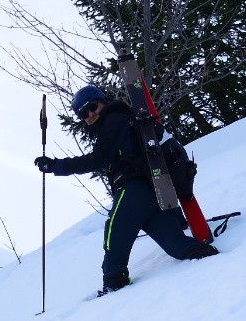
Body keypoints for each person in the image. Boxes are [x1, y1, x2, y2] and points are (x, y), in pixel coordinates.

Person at [35, 84, 217, 294]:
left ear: (103, 102)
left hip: (135, 188)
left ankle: (114, 282)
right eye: (84, 114)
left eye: (92, 107)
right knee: (177, 246)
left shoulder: (114, 119)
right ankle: (218, 258)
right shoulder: (120, 120)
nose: (90, 115)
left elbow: (97, 160)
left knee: (115, 230)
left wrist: (56, 166)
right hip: (150, 192)